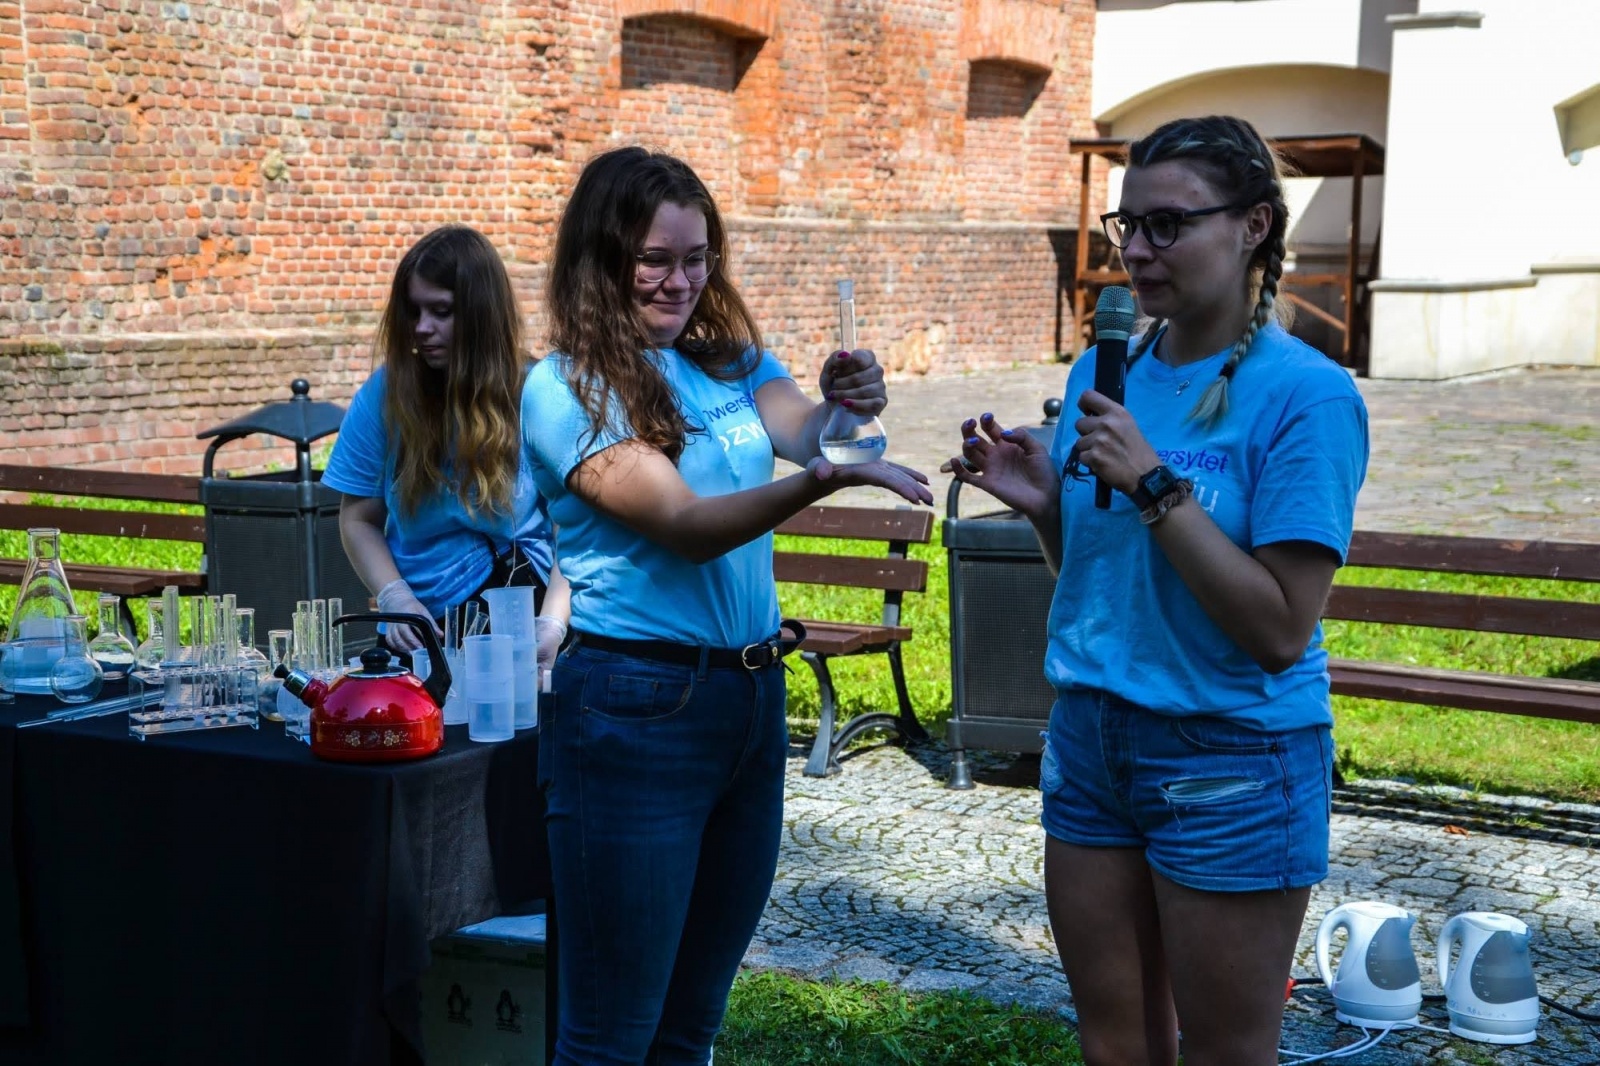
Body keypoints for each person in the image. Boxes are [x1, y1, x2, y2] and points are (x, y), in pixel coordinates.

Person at [945, 115, 1369, 1066]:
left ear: (1254, 225)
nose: (1135, 251)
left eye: (1167, 226)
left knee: (1224, 1053)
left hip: (1231, 755)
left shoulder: (1309, 396)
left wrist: (1152, 484)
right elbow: (1101, 584)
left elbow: (1278, 628)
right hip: (1093, 735)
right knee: (1117, 1047)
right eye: (1124, 227)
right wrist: (1047, 506)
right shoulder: (1112, 374)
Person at [522, 145, 932, 1066]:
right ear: (601, 258)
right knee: (609, 1036)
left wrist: (840, 408)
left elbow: (805, 430)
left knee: (692, 1025)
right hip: (633, 709)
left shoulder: (731, 360)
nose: (681, 281)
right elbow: (687, 524)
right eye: (655, 259)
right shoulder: (564, 389)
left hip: (748, 702)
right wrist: (825, 477)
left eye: (698, 256)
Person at [323, 224, 569, 667]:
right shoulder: (384, 395)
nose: (422, 328)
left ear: (481, 314)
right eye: (413, 312)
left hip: (520, 622)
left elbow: (571, 527)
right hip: (416, 633)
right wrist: (395, 597)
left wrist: (553, 621)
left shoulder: (538, 391)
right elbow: (358, 520)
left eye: (441, 311)